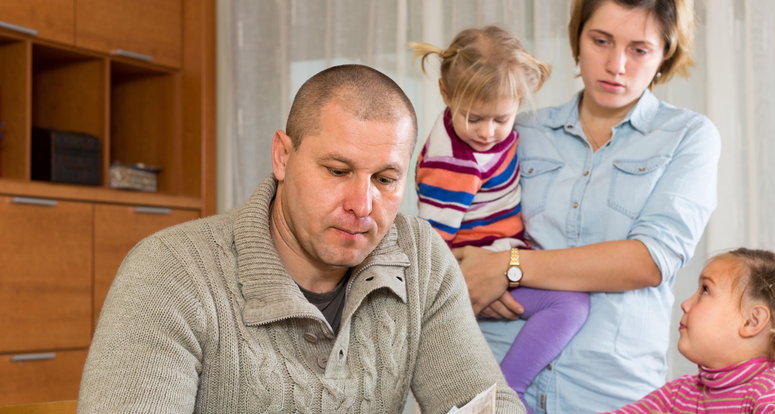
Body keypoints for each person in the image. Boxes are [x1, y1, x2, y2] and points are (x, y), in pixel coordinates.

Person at [77, 64, 524, 413]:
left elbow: (484, 403)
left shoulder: (420, 257)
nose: (361, 204)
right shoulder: (170, 271)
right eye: (337, 171)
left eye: (385, 179)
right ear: (283, 156)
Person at [453, 0, 721, 412]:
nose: (616, 64)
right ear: (577, 37)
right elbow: (462, 218)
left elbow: (648, 261)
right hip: (491, 379)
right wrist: (471, 275)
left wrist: (506, 267)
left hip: (609, 395)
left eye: (639, 49)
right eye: (601, 41)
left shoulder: (689, 137)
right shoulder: (518, 128)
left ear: (665, 52)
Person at [410, 26, 589, 413]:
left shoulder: (479, 132)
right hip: (474, 265)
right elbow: (432, 242)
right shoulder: (453, 164)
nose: (488, 132)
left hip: (499, 255)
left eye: (501, 119)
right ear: (445, 94)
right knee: (571, 305)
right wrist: (464, 292)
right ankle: (509, 394)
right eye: (475, 118)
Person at [606, 248, 775, 413]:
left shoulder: (773, 395)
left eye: (705, 290)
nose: (685, 303)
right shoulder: (680, 394)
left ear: (752, 321)